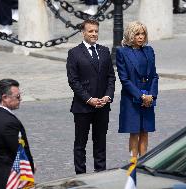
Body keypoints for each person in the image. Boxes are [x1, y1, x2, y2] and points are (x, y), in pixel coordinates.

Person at [66, 19, 116, 174]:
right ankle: (80, 175)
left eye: (96, 31)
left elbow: (111, 77)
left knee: (100, 143)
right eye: (90, 31)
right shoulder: (74, 53)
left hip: (102, 106)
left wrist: (108, 96)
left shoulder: (104, 51)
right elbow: (73, 81)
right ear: (83, 32)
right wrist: (89, 99)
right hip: (83, 107)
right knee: (80, 144)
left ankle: (100, 173)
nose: (94, 34)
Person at [116, 21, 159, 158]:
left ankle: (143, 161)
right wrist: (141, 96)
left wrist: (151, 95)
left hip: (148, 97)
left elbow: (154, 75)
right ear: (130, 35)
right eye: (137, 34)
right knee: (134, 132)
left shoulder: (149, 50)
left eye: (143, 34)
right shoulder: (122, 52)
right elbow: (124, 79)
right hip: (131, 98)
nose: (141, 37)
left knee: (145, 131)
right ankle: (133, 163)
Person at [0, 79, 35, 189]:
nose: (20, 99)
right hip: (10, 180)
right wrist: (30, 167)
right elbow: (19, 151)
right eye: (17, 96)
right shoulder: (9, 122)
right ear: (5, 98)